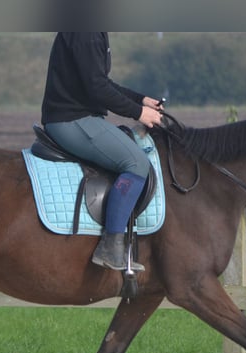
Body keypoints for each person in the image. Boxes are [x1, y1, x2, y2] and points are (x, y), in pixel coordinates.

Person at [41, 32, 164, 272]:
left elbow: (101, 82)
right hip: (72, 120)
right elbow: (97, 88)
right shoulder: (87, 32)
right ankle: (111, 246)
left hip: (76, 117)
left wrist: (141, 100)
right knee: (137, 164)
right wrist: (138, 113)